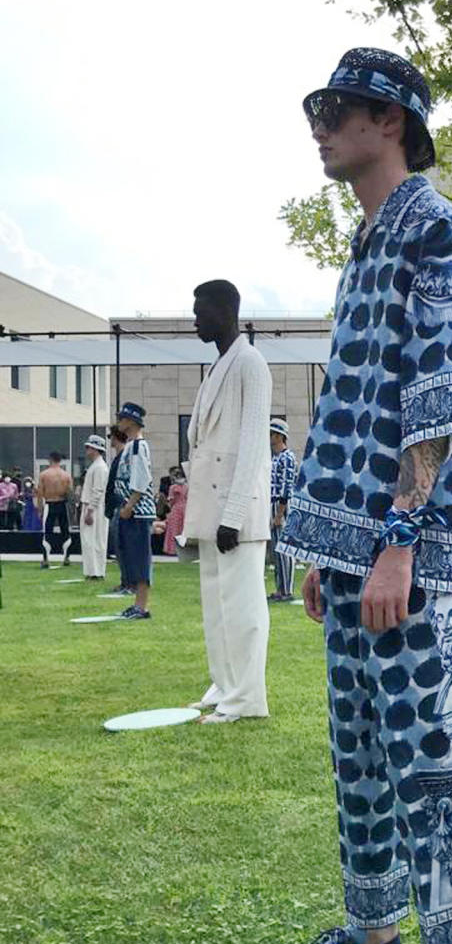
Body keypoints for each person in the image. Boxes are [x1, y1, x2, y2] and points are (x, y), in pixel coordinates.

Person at [265, 47, 452, 944]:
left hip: (413, 559)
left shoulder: (436, 229)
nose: (321, 125)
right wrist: (328, 545)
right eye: (318, 108)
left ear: (392, 121)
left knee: (429, 768)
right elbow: (353, 403)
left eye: (339, 109)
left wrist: (400, 538)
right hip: (354, 558)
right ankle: (371, 930)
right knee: (359, 759)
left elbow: (437, 397)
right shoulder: (366, 242)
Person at [182, 280, 272, 722]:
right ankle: (224, 683)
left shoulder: (251, 363)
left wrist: (233, 515)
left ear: (225, 310)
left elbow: (255, 444)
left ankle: (247, 698)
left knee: (242, 609)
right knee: (216, 606)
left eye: (200, 310)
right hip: (210, 511)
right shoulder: (218, 367)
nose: (195, 318)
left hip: (237, 512)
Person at [113, 403, 156, 620]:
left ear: (131, 421)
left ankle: (141, 606)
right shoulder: (131, 446)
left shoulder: (139, 446)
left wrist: (130, 505)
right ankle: (137, 603)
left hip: (137, 512)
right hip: (131, 509)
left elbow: (141, 479)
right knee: (131, 557)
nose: (119, 421)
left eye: (122, 418)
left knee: (140, 559)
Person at [268, 419, 298, 602]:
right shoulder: (275, 458)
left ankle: (286, 590)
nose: (269, 437)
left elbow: (287, 488)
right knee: (277, 551)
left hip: (282, 506)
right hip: (273, 504)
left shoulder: (287, 458)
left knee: (284, 549)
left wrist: (279, 514)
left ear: (279, 436)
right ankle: (280, 588)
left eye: (272, 434)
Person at [104, 425, 132, 594]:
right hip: (116, 506)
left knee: (123, 547)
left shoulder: (123, 458)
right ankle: (125, 581)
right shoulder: (119, 458)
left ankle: (128, 583)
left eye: (111, 436)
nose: (110, 440)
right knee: (119, 547)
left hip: (120, 506)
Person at [78, 435, 109, 580]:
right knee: (89, 540)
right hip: (91, 506)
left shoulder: (100, 468)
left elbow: (98, 490)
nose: (87, 450)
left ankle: (96, 572)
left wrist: (90, 510)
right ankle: (92, 571)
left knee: (95, 540)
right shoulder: (95, 466)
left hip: (94, 508)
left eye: (89, 448)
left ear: (96, 449)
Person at [36, 452, 74, 568]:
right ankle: (67, 557)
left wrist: (40, 510)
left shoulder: (44, 475)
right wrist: (71, 510)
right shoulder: (66, 475)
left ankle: (46, 559)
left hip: (50, 504)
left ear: (50, 460)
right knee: (65, 531)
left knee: (47, 532)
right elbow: (70, 493)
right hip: (62, 504)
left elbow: (40, 493)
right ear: (60, 460)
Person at [162, 467, 188, 556]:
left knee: (176, 529)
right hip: (182, 508)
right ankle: (175, 549)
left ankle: (173, 549)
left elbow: (171, 500)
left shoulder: (175, 487)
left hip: (178, 508)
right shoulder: (183, 486)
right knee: (176, 529)